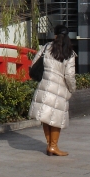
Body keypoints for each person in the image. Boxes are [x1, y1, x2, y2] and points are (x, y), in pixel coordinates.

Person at [28, 25, 77, 156]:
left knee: (46, 117)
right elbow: (70, 75)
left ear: (55, 35)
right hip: (60, 88)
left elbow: (33, 65)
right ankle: (53, 146)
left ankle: (50, 145)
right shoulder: (69, 53)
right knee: (56, 118)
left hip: (45, 85)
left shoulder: (46, 48)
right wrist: (72, 89)